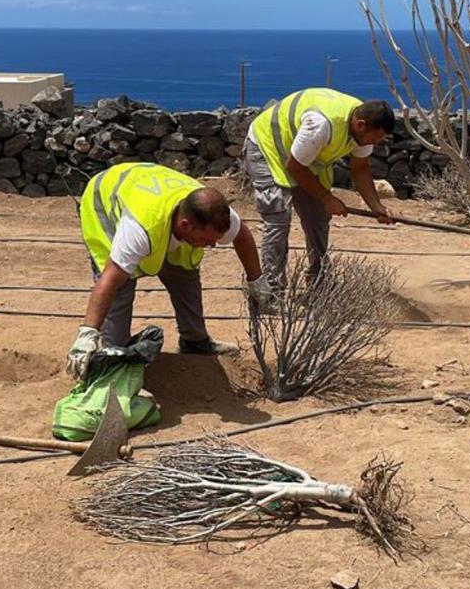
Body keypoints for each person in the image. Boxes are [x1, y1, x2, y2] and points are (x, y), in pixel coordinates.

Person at [65, 162, 272, 379]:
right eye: (206, 239)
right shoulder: (139, 229)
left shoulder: (213, 213)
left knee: (185, 272)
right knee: (121, 286)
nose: (212, 245)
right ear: (185, 225)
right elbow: (110, 278)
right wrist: (87, 333)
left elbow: (242, 235)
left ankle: (195, 343)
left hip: (147, 184)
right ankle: (112, 359)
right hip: (106, 199)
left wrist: (256, 281)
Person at [242, 87, 396, 286]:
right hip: (268, 147)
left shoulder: (363, 129)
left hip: (304, 158)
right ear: (360, 125)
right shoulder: (321, 125)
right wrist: (326, 198)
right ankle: (272, 289)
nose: (375, 143)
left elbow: (360, 168)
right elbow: (295, 167)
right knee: (278, 216)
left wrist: (377, 207)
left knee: (318, 217)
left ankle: (318, 281)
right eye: (375, 139)